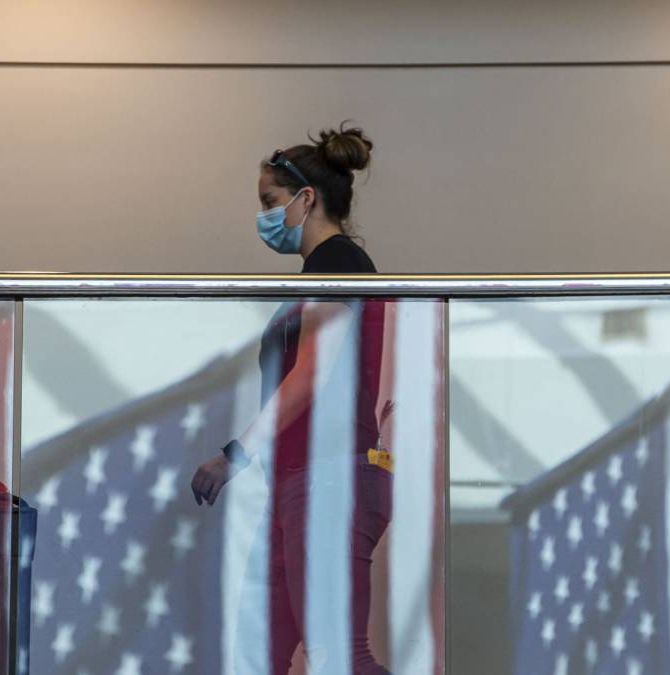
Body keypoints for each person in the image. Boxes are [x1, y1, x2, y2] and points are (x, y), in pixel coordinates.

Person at [189, 123, 393, 675]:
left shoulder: (339, 265)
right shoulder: (318, 275)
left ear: (306, 198)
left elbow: (310, 375)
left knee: (339, 655)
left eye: (270, 201)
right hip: (302, 480)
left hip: (332, 476)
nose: (264, 216)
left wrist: (233, 456)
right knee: (258, 655)